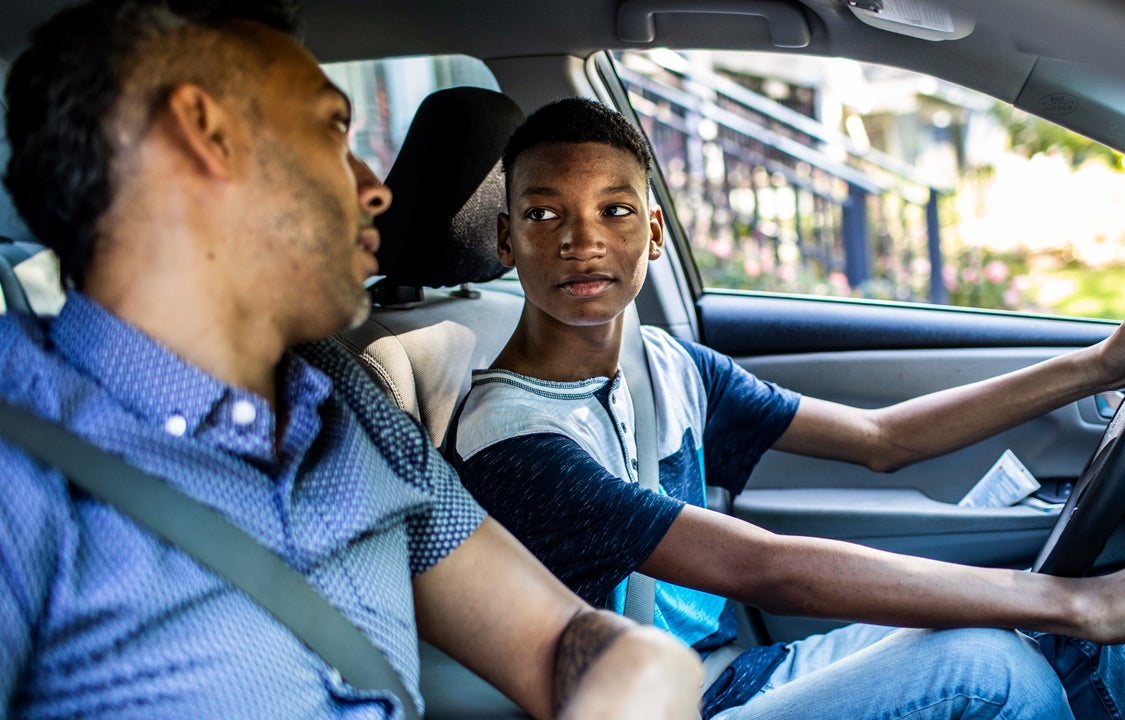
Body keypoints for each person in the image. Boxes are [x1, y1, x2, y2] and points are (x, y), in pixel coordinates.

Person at [451, 97, 1125, 720]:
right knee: (1000, 660)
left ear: (655, 233)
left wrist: (1096, 366)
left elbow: (883, 438)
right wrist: (1084, 603)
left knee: (1057, 620)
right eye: (544, 214)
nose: (579, 239)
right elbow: (758, 566)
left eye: (614, 211)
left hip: (733, 672)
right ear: (504, 241)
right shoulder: (512, 439)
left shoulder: (668, 364)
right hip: (662, 707)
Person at [0, 3, 702, 719]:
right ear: (204, 131)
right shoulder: (19, 457)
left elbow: (558, 640)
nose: (374, 188)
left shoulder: (350, 406)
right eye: (335, 128)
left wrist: (644, 671)